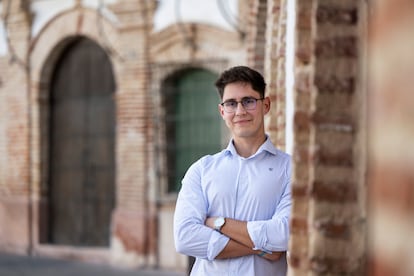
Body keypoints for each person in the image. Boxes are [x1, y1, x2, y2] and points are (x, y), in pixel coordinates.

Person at [173, 66, 291, 275]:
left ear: (265, 105)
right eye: (231, 104)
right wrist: (264, 249)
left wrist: (219, 223)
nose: (240, 111)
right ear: (222, 111)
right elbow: (185, 238)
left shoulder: (290, 169)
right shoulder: (201, 170)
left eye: (248, 101)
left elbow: (283, 235)